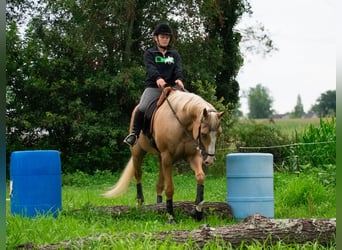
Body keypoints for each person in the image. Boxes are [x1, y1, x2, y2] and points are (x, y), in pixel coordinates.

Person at [124, 23, 185, 146]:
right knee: (142, 107)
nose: (165, 39)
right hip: (154, 86)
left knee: (190, 103)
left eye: (167, 37)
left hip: (173, 87)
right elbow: (151, 68)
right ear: (156, 38)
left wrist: (179, 78)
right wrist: (158, 78)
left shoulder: (174, 54)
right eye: (162, 37)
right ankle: (134, 134)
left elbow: (178, 68)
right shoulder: (149, 53)